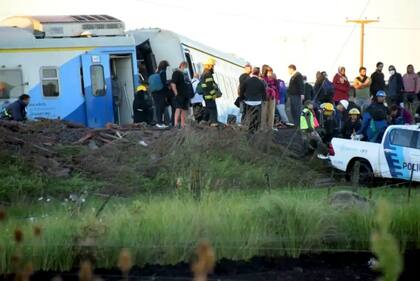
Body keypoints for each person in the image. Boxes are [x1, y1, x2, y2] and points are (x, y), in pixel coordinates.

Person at [239, 67, 265, 133]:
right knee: (256, 117)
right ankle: (254, 130)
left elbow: (242, 90)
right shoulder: (261, 82)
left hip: (248, 101)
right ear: (259, 73)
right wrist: (264, 100)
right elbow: (264, 93)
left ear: (252, 72)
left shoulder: (247, 81)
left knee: (247, 115)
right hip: (258, 102)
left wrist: (242, 98)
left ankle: (245, 128)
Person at [149, 60, 170, 128]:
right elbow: (164, 83)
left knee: (158, 106)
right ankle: (160, 123)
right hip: (160, 92)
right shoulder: (163, 72)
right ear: (165, 66)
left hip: (154, 92)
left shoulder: (157, 71)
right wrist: (168, 88)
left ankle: (159, 122)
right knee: (160, 107)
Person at [201, 57, 221, 126]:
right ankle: (214, 123)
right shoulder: (208, 74)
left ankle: (204, 121)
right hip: (209, 96)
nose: (213, 67)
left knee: (208, 109)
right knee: (213, 110)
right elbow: (209, 86)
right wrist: (214, 94)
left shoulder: (203, 74)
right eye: (212, 66)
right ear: (209, 66)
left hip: (205, 95)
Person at [171, 62, 191, 128]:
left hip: (185, 95)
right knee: (178, 108)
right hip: (179, 94)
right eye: (185, 67)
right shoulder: (176, 73)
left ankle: (183, 124)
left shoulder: (184, 74)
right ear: (181, 65)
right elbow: (173, 83)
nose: (185, 69)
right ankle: (176, 124)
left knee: (184, 109)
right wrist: (176, 93)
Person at [261, 66, 278, 131]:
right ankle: (263, 127)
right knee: (264, 112)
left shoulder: (274, 81)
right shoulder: (263, 79)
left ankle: (270, 127)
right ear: (266, 72)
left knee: (271, 112)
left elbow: (277, 90)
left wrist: (276, 98)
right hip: (265, 97)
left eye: (271, 72)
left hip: (272, 98)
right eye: (269, 72)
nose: (270, 74)